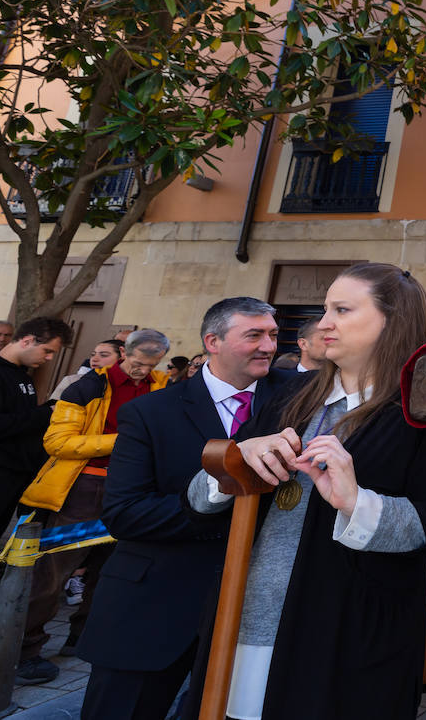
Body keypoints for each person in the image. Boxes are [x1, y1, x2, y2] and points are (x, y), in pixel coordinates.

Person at [179, 266, 426, 720]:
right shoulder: (284, 394)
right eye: (324, 309)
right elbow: (197, 503)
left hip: (344, 637)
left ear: (392, 321)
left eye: (342, 310)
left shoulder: (422, 414)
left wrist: (357, 503)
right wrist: (234, 461)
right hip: (244, 619)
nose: (322, 324)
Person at [76, 300, 291, 719]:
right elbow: (125, 513)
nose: (268, 345)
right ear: (212, 342)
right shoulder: (150, 412)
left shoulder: (300, 400)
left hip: (256, 614)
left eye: (273, 334)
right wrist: (215, 493)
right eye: (254, 335)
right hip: (153, 605)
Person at [15, 329, 172, 685]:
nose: (140, 371)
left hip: (135, 489)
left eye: (150, 365)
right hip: (85, 486)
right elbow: (57, 441)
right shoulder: (86, 387)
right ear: (123, 353)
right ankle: (26, 649)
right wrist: (123, 441)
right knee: (54, 571)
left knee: (112, 569)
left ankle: (83, 637)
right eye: (135, 363)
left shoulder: (163, 386)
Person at [0, 317, 72, 541]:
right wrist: (46, 414)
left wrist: (50, 410)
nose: (49, 358)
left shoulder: (21, 375)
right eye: (47, 351)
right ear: (27, 341)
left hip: (13, 475)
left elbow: (21, 419)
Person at [48, 339, 124, 402]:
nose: (94, 359)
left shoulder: (129, 387)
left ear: (122, 358)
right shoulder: (72, 381)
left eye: (104, 355)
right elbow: (52, 411)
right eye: (93, 354)